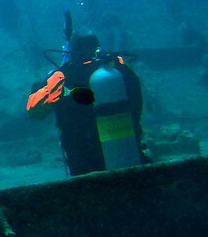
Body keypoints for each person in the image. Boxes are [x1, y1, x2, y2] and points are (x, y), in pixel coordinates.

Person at [27, 11, 146, 176]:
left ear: (70, 50)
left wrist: (60, 69)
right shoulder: (119, 68)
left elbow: (34, 110)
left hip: (86, 165)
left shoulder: (62, 77)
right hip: (130, 155)